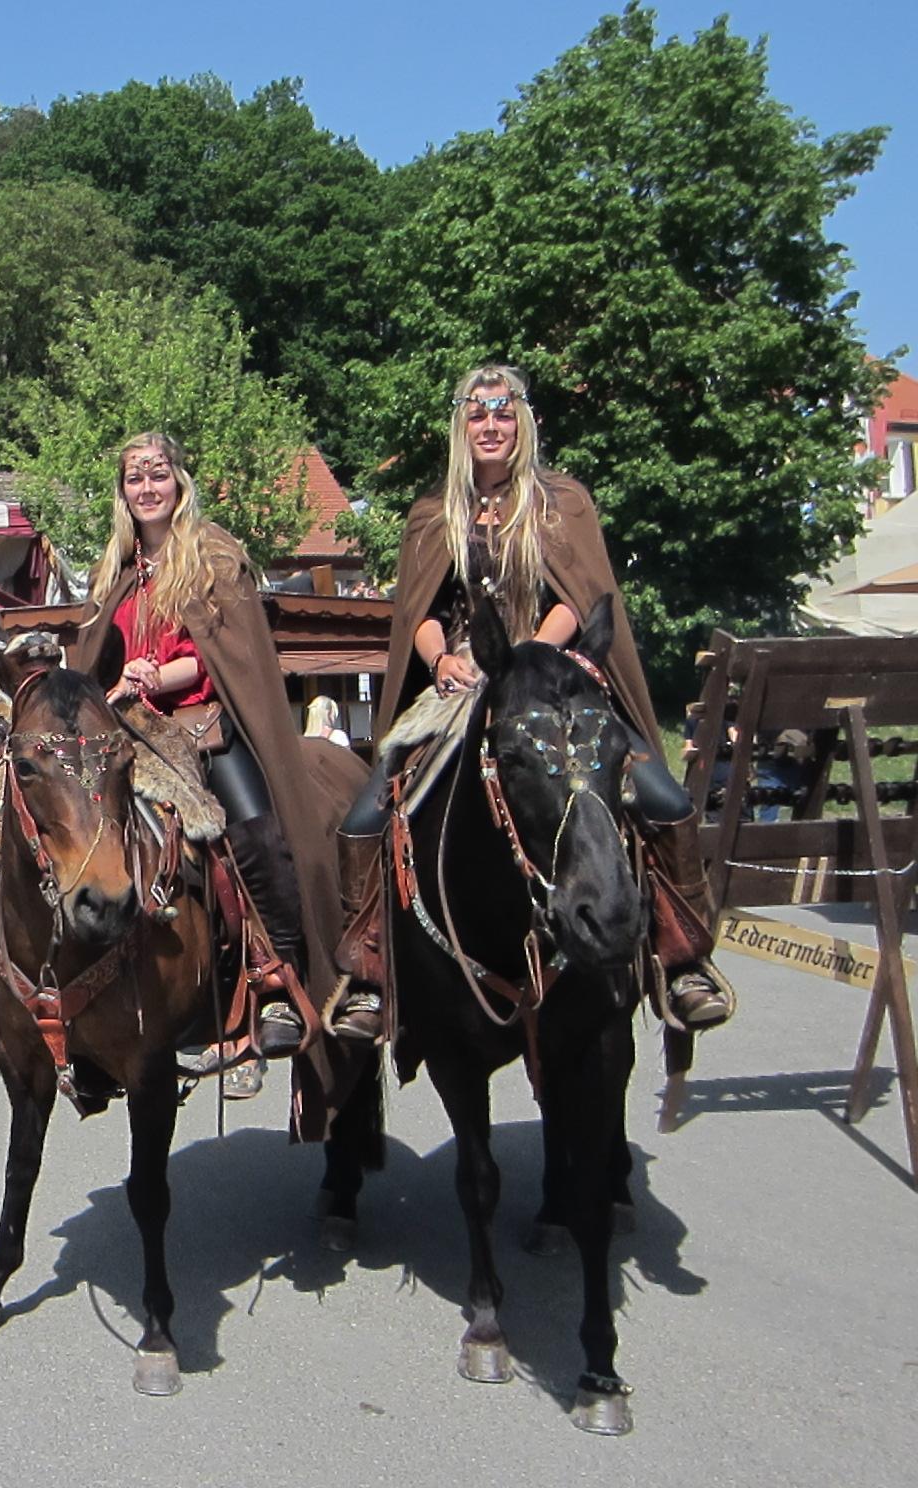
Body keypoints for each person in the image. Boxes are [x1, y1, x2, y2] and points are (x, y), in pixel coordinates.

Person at [330, 365, 734, 1040]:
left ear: (522, 423)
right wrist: (442, 660)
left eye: (503, 412)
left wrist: (530, 657)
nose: (491, 425)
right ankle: (370, 972)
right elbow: (418, 613)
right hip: (462, 683)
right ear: (461, 426)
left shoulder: (561, 502)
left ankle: (683, 957)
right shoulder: (433, 513)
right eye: (478, 414)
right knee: (365, 816)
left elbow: (580, 597)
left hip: (555, 681)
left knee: (664, 799)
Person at [73, 433, 347, 1061]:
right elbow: (93, 659)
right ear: (122, 491)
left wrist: (154, 676)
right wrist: (115, 683)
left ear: (179, 482)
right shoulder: (110, 570)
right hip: (125, 727)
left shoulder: (214, 556)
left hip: (202, 723)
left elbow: (220, 655)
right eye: (135, 478)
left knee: (256, 833)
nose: (147, 488)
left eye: (158, 475)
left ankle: (277, 978)